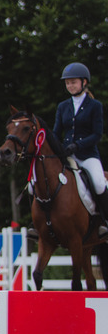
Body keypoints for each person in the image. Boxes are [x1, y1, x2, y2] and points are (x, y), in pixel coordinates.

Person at [53, 62, 108, 224]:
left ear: (84, 82)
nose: (70, 85)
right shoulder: (63, 106)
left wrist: (78, 145)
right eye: (67, 83)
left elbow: (97, 134)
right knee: (43, 180)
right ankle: (40, 223)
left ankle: (104, 222)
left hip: (87, 155)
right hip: (66, 156)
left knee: (98, 184)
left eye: (73, 82)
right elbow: (56, 133)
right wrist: (56, 149)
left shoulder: (95, 106)